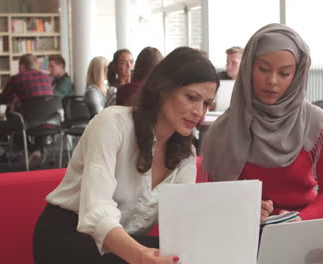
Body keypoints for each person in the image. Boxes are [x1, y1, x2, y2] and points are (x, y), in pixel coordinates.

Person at [33, 47, 219, 264]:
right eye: (191, 97)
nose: (199, 112)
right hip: (67, 235)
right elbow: (97, 210)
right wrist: (140, 255)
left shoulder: (186, 156)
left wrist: (241, 216)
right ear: (162, 89)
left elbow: (182, 221)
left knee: (190, 255)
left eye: (206, 103)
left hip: (123, 242)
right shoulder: (113, 124)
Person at [201, 23, 323, 223]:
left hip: (302, 230)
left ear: (297, 75)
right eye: (263, 69)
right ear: (249, 67)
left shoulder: (318, 124)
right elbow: (211, 197)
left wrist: (300, 219)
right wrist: (239, 206)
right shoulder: (226, 127)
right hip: (242, 229)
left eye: (284, 73)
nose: (272, 81)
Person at [0, 53, 54, 168]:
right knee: (37, 117)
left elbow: (3, 99)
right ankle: (39, 149)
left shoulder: (17, 78)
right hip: (50, 120)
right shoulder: (47, 78)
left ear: (22, 66)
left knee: (10, 115)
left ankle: (31, 149)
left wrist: (15, 99)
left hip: (27, 120)